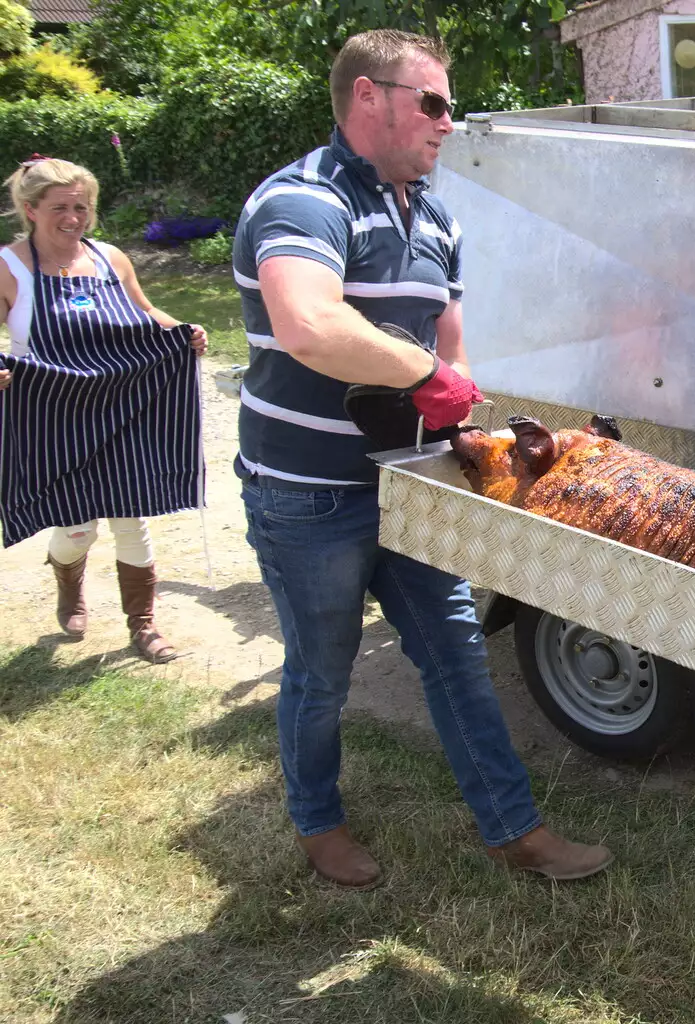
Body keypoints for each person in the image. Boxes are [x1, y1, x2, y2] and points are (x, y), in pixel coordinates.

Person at [232, 29, 612, 889]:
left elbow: (453, 345)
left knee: (455, 655)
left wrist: (460, 405)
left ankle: (514, 829)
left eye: (452, 108)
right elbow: (310, 325)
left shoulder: (435, 214)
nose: (449, 123)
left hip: (413, 489)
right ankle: (318, 822)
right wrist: (427, 375)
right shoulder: (304, 202)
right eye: (433, 104)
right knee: (321, 673)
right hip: (309, 494)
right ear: (369, 98)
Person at [0, 157, 208, 664]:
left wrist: (182, 332)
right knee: (77, 527)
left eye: (82, 207)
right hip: (53, 413)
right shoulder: (8, 266)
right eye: (59, 208)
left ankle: (143, 625)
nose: (73, 217)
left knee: (129, 516)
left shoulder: (111, 258)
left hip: (123, 406)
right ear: (30, 209)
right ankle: (67, 577)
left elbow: (147, 314)